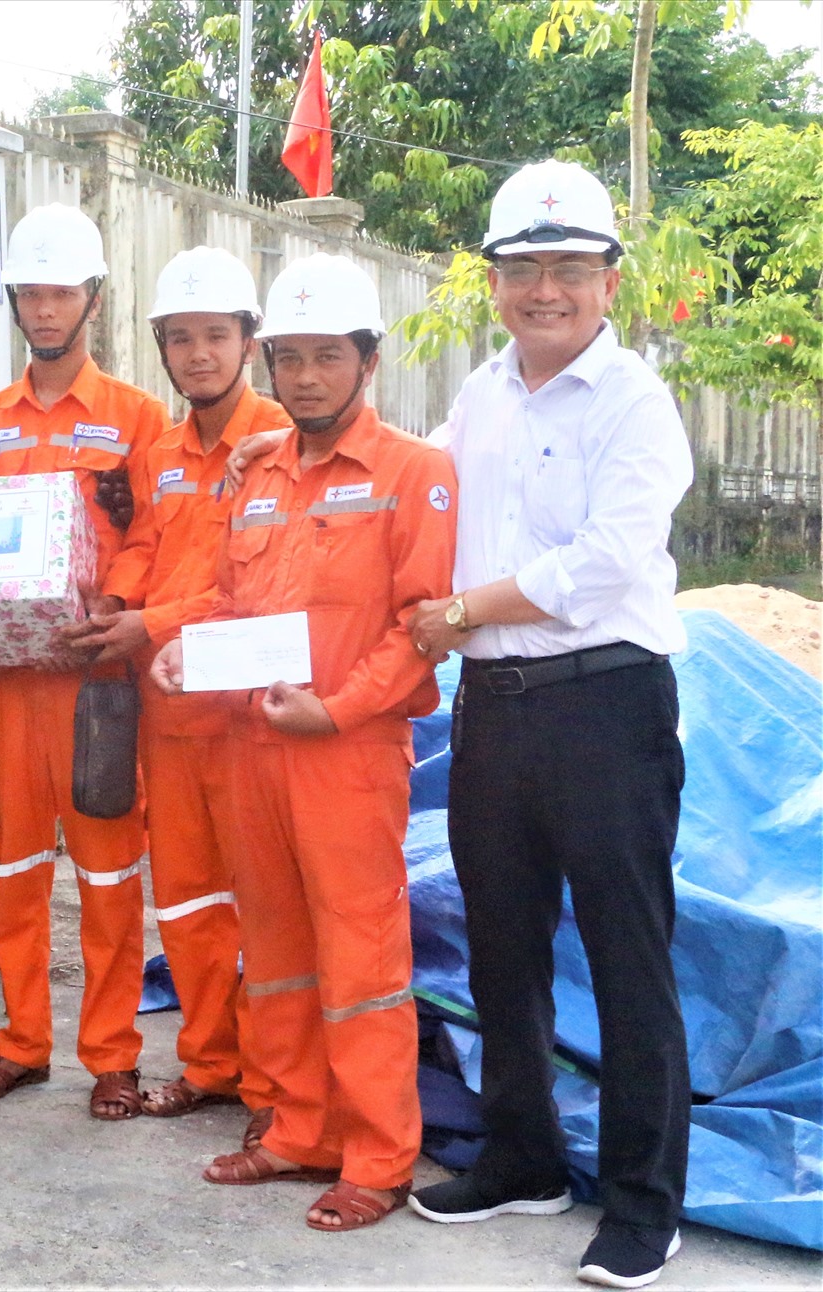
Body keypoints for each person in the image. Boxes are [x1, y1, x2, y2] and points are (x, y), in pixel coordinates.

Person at [402, 160, 694, 1290]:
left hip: (605, 704)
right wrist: (278, 449)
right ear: (492, 281)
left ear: (608, 283)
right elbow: (410, 479)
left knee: (627, 961)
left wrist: (461, 610)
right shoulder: (480, 396)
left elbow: (609, 559)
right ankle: (521, 1155)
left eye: (568, 268)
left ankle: (640, 1201)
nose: (544, 290)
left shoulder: (633, 402)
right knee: (501, 946)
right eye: (523, 269)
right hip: (496, 715)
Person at [151, 252, 457, 1232]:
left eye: (327, 355)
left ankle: (376, 1154)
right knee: (275, 944)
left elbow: (420, 625)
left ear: (367, 359)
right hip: (251, 744)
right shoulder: (254, 476)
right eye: (288, 358)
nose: (305, 376)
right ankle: (294, 1126)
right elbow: (235, 604)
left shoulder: (415, 472)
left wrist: (336, 709)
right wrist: (182, 652)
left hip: (346, 750)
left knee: (359, 952)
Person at [0, 204, 166, 1122]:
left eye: (60, 291)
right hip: (6, 688)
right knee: (15, 871)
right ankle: (21, 1046)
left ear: (94, 302)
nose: (44, 308)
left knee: (110, 876)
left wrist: (116, 602)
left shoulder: (136, 419)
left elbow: (154, 534)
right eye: (30, 292)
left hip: (99, 687)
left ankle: (111, 1056)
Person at [72, 246, 289, 1143]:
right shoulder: (160, 450)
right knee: (191, 902)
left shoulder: (282, 435)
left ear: (247, 343)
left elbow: (256, 585)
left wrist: (149, 626)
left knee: (267, 904)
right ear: (161, 346)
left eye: (216, 336)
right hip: (167, 715)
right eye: (181, 338)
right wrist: (115, 600)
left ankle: (279, 1085)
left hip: (247, 716)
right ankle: (211, 1065)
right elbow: (145, 549)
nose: (199, 354)